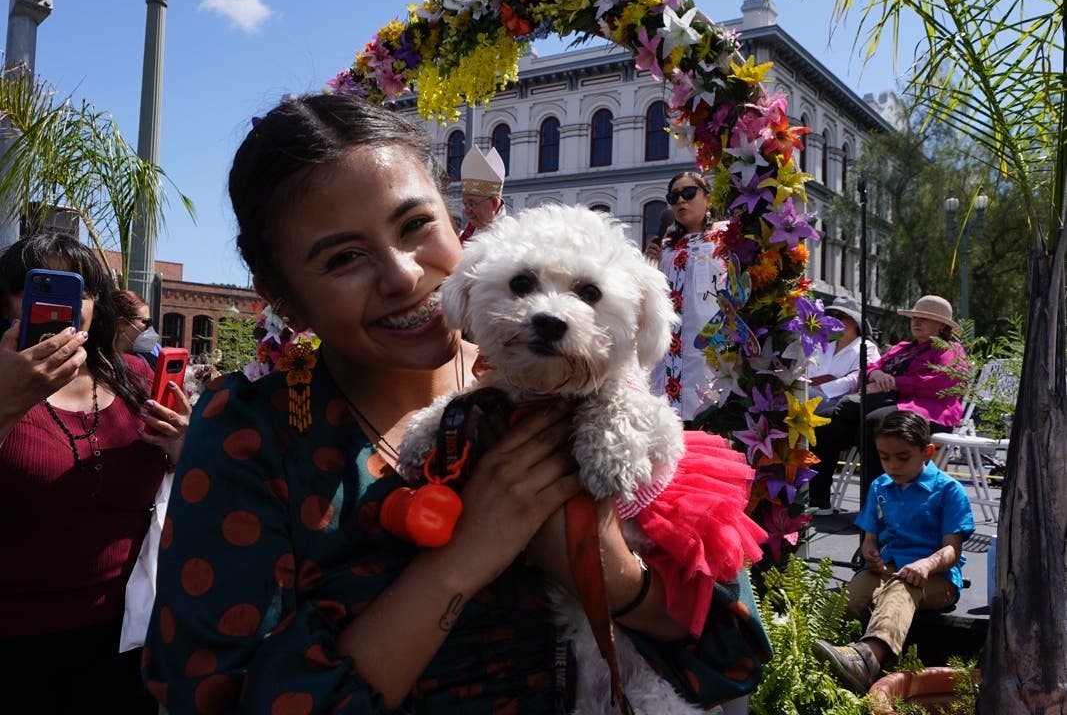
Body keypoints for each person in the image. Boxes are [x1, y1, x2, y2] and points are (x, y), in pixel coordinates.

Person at [143, 94, 767, 714]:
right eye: (343, 258)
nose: (402, 276)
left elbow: (734, 651)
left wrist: (612, 576)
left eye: (416, 225)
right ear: (282, 297)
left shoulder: (579, 386)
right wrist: (464, 560)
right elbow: (212, 698)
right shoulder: (252, 433)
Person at [0, 232, 191, 714]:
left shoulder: (136, 378)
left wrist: (182, 448)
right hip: (15, 643)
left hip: (128, 635)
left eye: (79, 291)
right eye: (35, 287)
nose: (60, 305)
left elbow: (188, 490)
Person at [813, 411, 975, 694]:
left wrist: (925, 565)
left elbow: (952, 549)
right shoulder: (880, 486)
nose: (892, 465)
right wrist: (870, 552)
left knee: (901, 588)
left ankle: (868, 660)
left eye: (902, 457)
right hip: (887, 569)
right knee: (851, 597)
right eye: (884, 457)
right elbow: (869, 539)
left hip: (937, 580)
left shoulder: (949, 490)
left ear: (927, 452)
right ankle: (830, 662)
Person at [815, 295, 968, 507]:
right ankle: (817, 498)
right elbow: (869, 367)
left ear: (942, 325)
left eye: (924, 318)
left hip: (928, 409)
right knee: (825, 420)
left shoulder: (950, 351)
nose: (916, 321)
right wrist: (876, 375)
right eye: (914, 317)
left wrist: (895, 383)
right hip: (890, 403)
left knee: (874, 423)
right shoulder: (904, 347)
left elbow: (940, 383)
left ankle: (876, 506)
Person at [646, 171, 726, 425]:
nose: (681, 201)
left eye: (689, 193)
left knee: (708, 415)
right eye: (674, 196)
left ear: (708, 198)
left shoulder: (726, 239)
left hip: (710, 347)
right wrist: (649, 265)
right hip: (669, 351)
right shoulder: (666, 247)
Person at [807, 296, 881, 513]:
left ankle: (815, 493)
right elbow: (810, 371)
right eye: (833, 316)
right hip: (814, 397)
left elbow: (857, 378)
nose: (836, 320)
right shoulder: (824, 345)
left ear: (855, 322)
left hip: (839, 404)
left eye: (843, 317)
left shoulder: (866, 347)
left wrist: (823, 387)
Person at [458, 145, 506, 243]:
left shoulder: (509, 238)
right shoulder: (467, 233)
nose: (467, 211)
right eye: (465, 204)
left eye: (472, 204)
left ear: (494, 203)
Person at [112, 287, 160, 367]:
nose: (150, 329)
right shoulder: (101, 365)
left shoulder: (151, 360)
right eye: (146, 322)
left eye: (151, 323)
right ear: (121, 324)